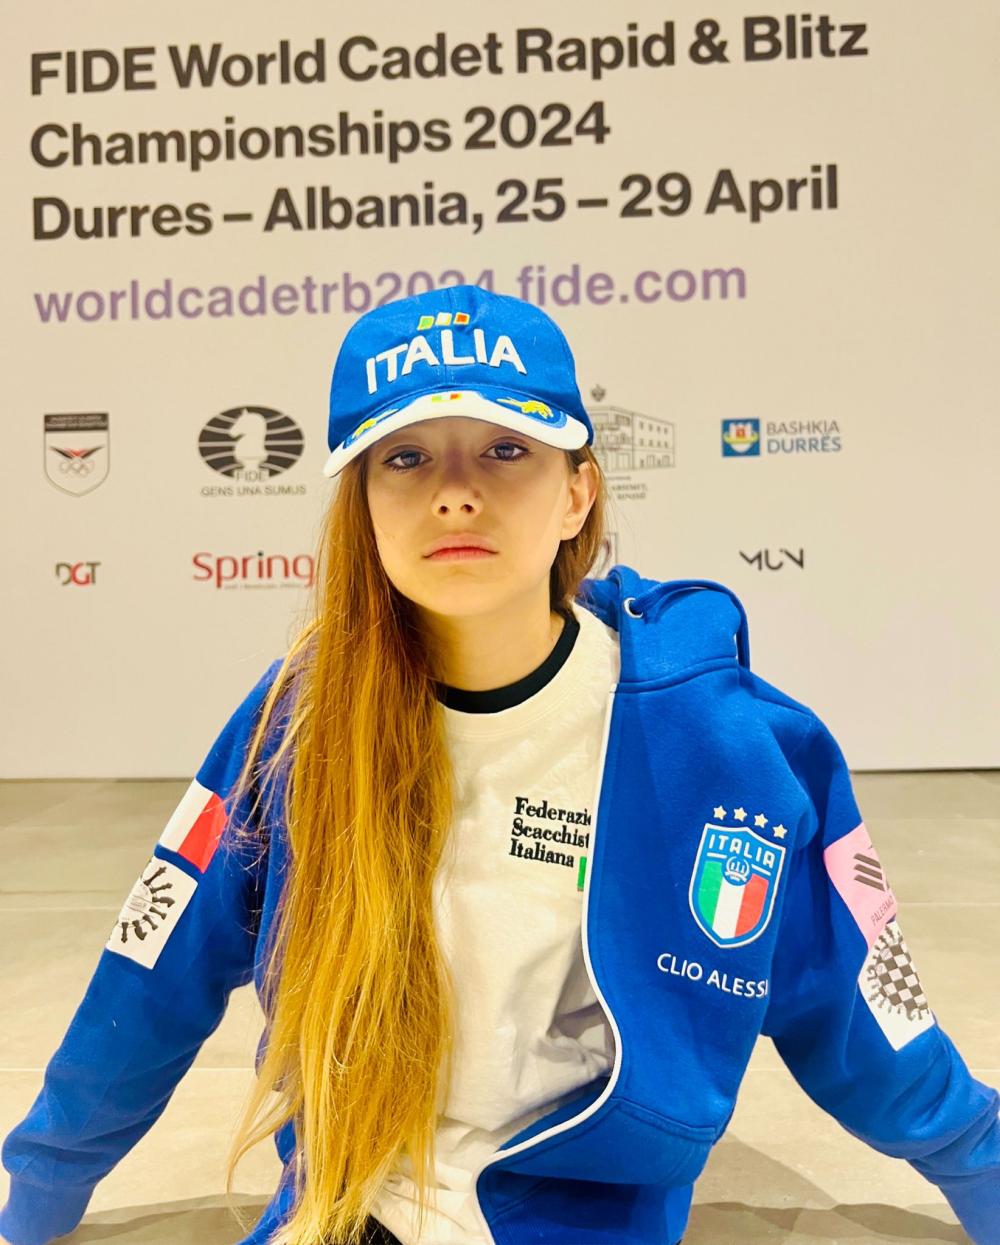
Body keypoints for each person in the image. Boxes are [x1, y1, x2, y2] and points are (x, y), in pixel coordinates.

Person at [1, 284, 997, 1245]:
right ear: (363, 505)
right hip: (348, 1194)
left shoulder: (725, 740)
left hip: (581, 1204)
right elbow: (151, 971)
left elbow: (858, 996)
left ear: (576, 492)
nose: (454, 493)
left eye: (506, 449)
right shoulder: (296, 720)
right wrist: (41, 1184)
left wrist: (980, 1162)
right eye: (404, 457)